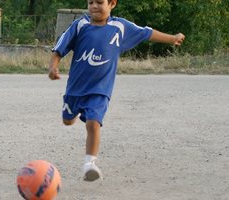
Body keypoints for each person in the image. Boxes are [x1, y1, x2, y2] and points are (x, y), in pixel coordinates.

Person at [48, 0, 185, 182]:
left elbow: (147, 33)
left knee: (93, 123)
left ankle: (90, 164)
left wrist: (172, 38)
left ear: (112, 3)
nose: (94, 6)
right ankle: (73, 114)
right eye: (90, 2)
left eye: (99, 2)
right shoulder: (80, 25)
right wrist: (52, 67)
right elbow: (59, 49)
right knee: (67, 121)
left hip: (100, 90)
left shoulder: (120, 27)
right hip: (75, 89)